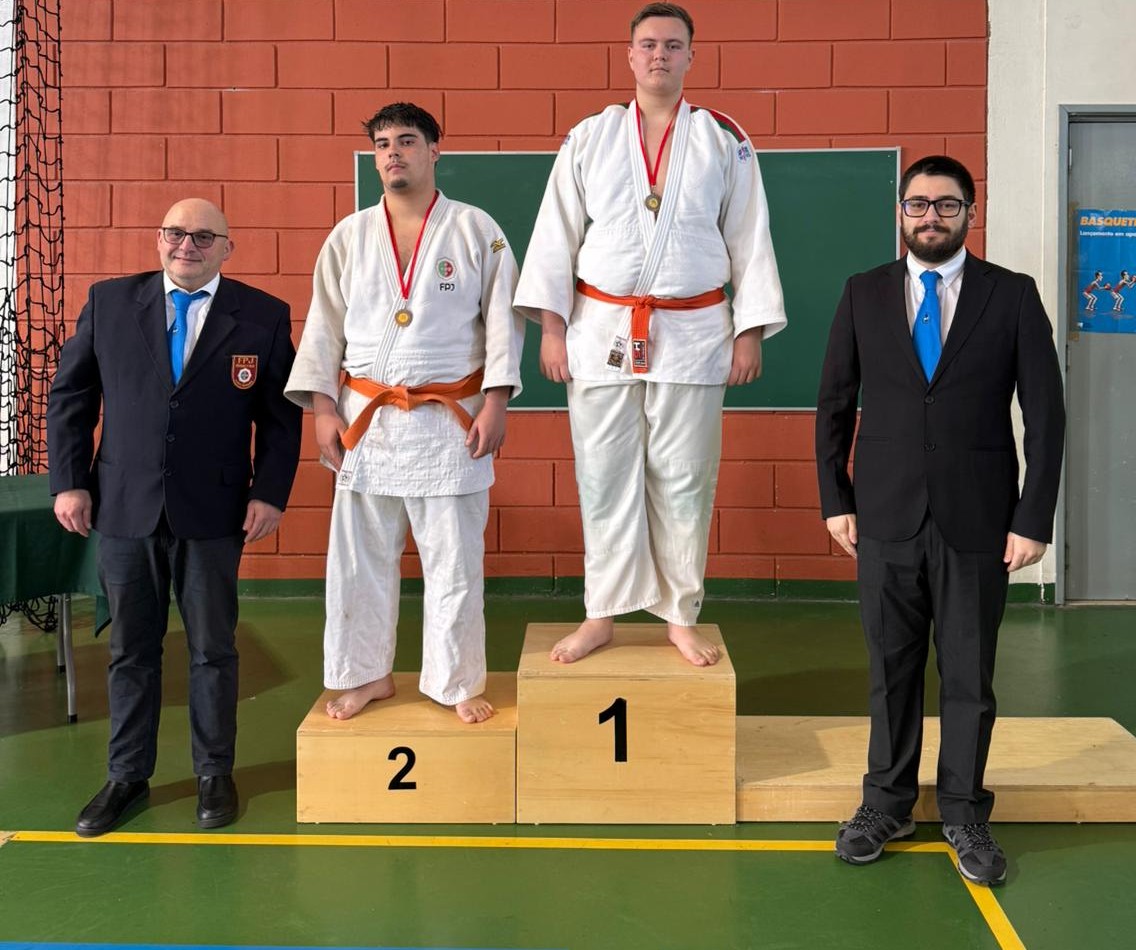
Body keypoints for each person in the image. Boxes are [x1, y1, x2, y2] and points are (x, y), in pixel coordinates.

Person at [815, 156, 1066, 886]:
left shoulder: (1011, 295)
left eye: (947, 205)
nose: (931, 216)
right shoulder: (863, 293)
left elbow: (1045, 416)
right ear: (901, 212)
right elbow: (834, 405)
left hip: (979, 519)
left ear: (970, 213)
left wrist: (1033, 518)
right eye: (919, 204)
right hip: (883, 516)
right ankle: (884, 804)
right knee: (890, 671)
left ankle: (963, 812)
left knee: (968, 676)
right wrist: (836, 499)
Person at [514, 2, 786, 667]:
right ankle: (600, 612)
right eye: (648, 44)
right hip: (601, 327)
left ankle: (680, 615)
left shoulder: (724, 138)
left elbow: (749, 235)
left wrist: (749, 330)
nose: (659, 54)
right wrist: (551, 330)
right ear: (630, 55)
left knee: (685, 478)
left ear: (692, 55)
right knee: (603, 475)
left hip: (694, 331)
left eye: (672, 44)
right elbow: (555, 236)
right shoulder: (590, 137)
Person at [47, 198, 302, 837]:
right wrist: (69, 482)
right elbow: (71, 397)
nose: (187, 245)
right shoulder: (109, 303)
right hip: (123, 507)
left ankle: (215, 773)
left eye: (204, 236)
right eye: (175, 233)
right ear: (158, 239)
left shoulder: (263, 316)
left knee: (213, 648)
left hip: (214, 511)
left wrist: (270, 493)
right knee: (131, 649)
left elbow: (280, 418)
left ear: (227, 248)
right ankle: (126, 776)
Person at [285, 102, 524, 724]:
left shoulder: (475, 229)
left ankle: (454, 681)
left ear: (434, 151)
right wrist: (322, 410)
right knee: (359, 561)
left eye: (407, 140)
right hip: (367, 419)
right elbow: (324, 326)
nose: (393, 152)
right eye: (383, 143)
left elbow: (504, 319)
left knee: (454, 562)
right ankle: (365, 675)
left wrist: (497, 400)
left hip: (451, 420)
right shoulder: (349, 235)